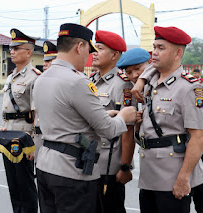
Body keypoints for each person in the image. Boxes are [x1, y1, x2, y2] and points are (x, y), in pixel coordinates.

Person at [33, 23, 137, 213]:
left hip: (45, 166)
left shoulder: (41, 79)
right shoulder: (78, 81)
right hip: (71, 172)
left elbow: (65, 117)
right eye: (89, 49)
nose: (90, 55)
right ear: (79, 46)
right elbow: (109, 130)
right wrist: (123, 116)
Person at [122, 49, 203, 213]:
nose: (134, 75)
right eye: (129, 72)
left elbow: (198, 137)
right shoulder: (146, 89)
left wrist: (141, 79)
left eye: (138, 69)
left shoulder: (176, 83)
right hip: (169, 157)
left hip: (198, 153)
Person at [131, 26, 203, 213]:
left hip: (172, 177)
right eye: (154, 47)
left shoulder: (189, 87)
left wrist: (183, 179)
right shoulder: (151, 82)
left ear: (177, 53)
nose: (154, 53)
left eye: (161, 48)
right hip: (149, 174)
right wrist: (142, 79)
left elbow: (199, 137)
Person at [90, 30, 133, 213]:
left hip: (109, 163)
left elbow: (127, 128)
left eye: (99, 48)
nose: (94, 52)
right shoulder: (90, 80)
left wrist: (125, 165)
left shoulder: (122, 84)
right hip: (89, 160)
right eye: (94, 48)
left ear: (115, 55)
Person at [1, 28, 41, 213]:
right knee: (13, 186)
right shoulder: (10, 77)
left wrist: (33, 141)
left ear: (29, 52)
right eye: (11, 48)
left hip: (24, 137)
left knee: (25, 186)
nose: (13, 51)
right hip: (8, 136)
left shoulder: (34, 77)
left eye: (17, 48)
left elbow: (37, 112)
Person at [33, 40, 58, 160]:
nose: (44, 64)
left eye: (49, 61)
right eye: (44, 61)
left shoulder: (64, 84)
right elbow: (36, 113)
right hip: (39, 139)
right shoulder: (40, 83)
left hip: (55, 143)